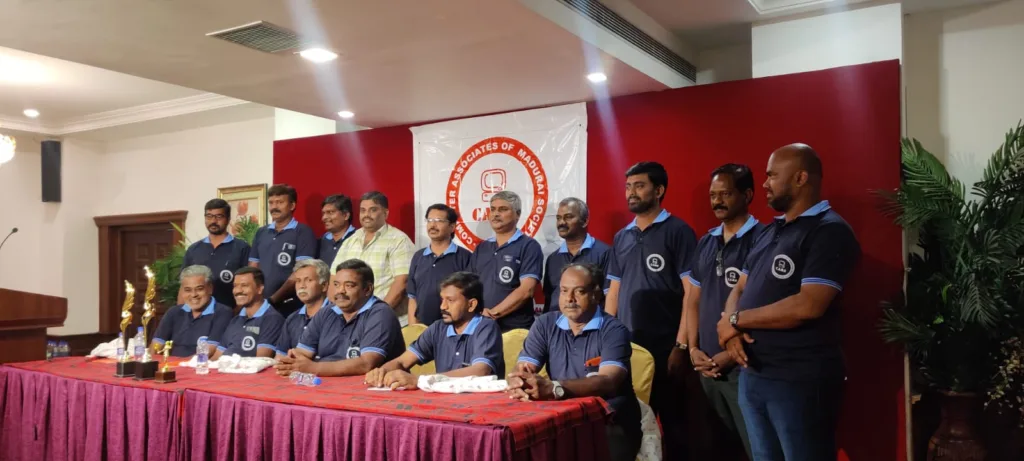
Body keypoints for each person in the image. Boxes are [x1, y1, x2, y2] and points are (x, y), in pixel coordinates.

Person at [717, 144, 860, 461]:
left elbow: (808, 305)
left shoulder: (830, 231)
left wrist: (735, 321)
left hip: (799, 380)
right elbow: (740, 287)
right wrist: (730, 331)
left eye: (772, 175)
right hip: (753, 375)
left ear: (800, 178)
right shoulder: (770, 231)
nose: (764, 184)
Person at [604, 161, 697, 459]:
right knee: (628, 425)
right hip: (628, 348)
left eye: (639, 186)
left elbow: (691, 293)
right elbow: (613, 292)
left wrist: (681, 346)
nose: (631, 192)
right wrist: (605, 339)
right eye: (628, 187)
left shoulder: (679, 231)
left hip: (665, 346)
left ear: (659, 190)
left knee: (675, 425)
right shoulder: (622, 237)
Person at [508, 262, 640, 461]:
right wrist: (520, 381)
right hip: (562, 419)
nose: (569, 299)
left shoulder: (614, 330)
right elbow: (524, 368)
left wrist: (556, 388)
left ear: (596, 294)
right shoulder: (545, 324)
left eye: (579, 292)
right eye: (564, 291)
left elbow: (608, 381)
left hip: (609, 422)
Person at [677, 164, 763, 459]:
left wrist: (730, 355)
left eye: (725, 194)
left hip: (746, 368)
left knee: (756, 449)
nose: (717, 201)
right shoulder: (706, 241)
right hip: (706, 369)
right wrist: (693, 349)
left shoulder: (763, 239)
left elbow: (765, 307)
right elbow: (692, 299)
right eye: (713, 195)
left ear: (747, 195)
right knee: (718, 449)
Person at [364, 272, 503, 390]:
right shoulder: (438, 328)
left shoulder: (486, 327)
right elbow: (402, 361)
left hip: (478, 403)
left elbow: (480, 371)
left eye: (450, 300)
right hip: (443, 401)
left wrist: (420, 381)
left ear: (471, 305)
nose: (443, 306)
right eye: (442, 299)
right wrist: (381, 372)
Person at [275, 259, 405, 377]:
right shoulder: (326, 312)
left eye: (349, 285)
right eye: (336, 285)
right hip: (326, 384)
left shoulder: (380, 313)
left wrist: (312, 368)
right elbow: (302, 353)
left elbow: (366, 364)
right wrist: (294, 359)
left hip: (372, 388)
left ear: (367, 289)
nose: (340, 291)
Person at [330, 191, 415, 318]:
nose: (366, 215)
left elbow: (402, 282)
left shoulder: (399, 240)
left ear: (386, 213)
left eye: (373, 210)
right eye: (363, 210)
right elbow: (333, 278)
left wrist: (376, 315)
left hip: (384, 319)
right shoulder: (351, 240)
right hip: (349, 319)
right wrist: (339, 313)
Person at [468, 190, 543, 331]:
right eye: (493, 209)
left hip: (515, 330)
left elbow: (527, 290)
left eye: (503, 209)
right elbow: (469, 286)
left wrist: (492, 314)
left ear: (517, 214)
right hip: (481, 327)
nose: (495, 214)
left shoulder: (529, 246)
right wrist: (478, 313)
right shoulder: (481, 248)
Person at [248, 184, 317, 317]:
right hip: (261, 304)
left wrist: (273, 299)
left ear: (292, 205)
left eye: (280, 202)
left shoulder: (303, 232)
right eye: (271, 203)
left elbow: (300, 272)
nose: (274, 207)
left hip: (290, 305)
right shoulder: (261, 232)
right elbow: (253, 268)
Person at [542, 197, 611, 312]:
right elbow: (549, 300)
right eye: (558, 218)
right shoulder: (553, 259)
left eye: (568, 217)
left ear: (585, 221)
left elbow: (610, 298)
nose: (561, 222)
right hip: (557, 322)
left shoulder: (604, 253)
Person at [407, 204, 471, 325]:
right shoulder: (418, 257)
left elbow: (468, 298)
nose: (432, 225)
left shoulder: (465, 257)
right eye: (429, 220)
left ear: (452, 227)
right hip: (423, 328)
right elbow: (412, 297)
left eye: (439, 221)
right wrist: (413, 329)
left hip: (453, 327)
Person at [182, 199, 251, 309]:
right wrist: (181, 314)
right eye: (209, 216)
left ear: (228, 219)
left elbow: (249, 285)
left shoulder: (241, 248)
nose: (213, 221)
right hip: (198, 313)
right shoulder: (193, 250)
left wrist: (237, 313)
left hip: (231, 312)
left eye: (219, 217)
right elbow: (184, 285)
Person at [150, 265, 233, 357]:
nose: (193, 295)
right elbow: (156, 346)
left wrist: (182, 364)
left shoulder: (223, 312)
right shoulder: (173, 312)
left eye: (199, 289)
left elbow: (209, 350)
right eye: (188, 290)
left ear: (210, 288)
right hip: (171, 364)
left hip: (199, 365)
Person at [213, 267, 285, 359]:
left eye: (244, 285)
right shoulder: (235, 320)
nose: (238, 291)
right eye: (235, 286)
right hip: (224, 366)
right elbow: (217, 356)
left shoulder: (272, 319)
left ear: (259, 289)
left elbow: (261, 361)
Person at [274, 259, 332, 357]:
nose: (302, 286)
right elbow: (280, 357)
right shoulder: (292, 319)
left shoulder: (336, 315)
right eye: (298, 281)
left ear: (324, 286)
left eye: (308, 280)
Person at [318, 194, 356, 266]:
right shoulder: (321, 242)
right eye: (323, 213)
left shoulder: (358, 238)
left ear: (346, 215)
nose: (324, 218)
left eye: (330, 212)